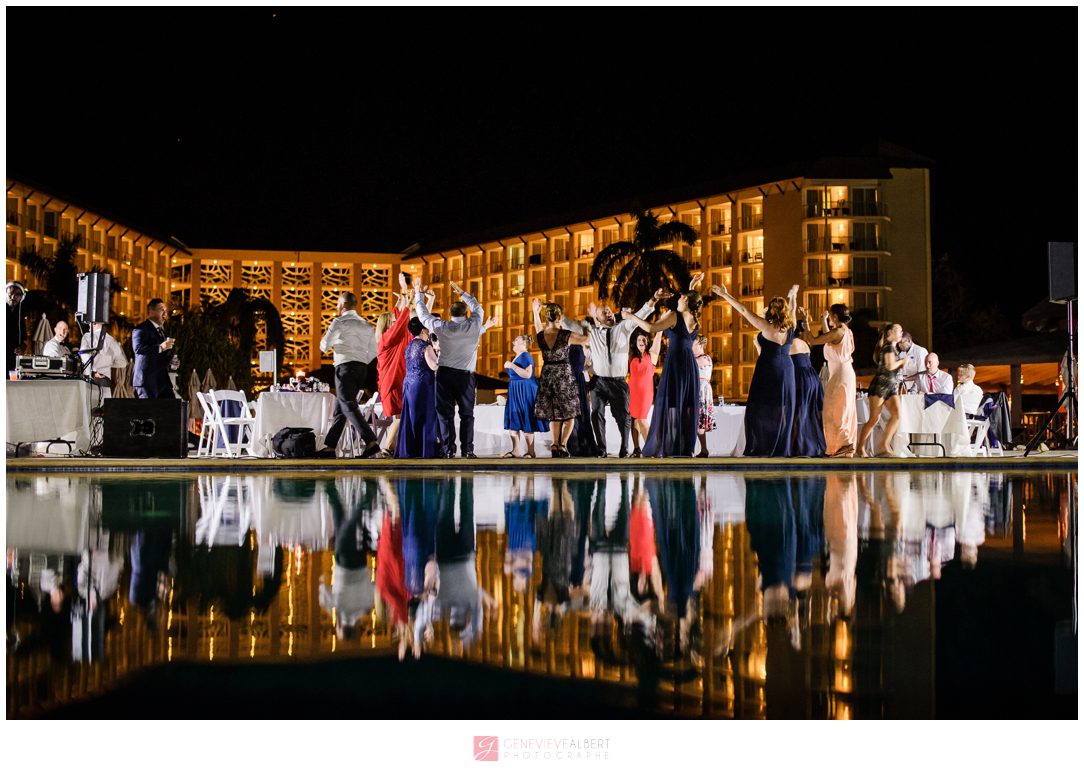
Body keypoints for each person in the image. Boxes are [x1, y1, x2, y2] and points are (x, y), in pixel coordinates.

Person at [558, 293, 662, 457]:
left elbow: (642, 313)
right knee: (596, 413)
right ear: (598, 319)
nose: (609, 313)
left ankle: (624, 447)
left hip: (618, 382)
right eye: (604, 313)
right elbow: (571, 325)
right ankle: (602, 449)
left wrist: (653, 299)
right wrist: (558, 314)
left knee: (624, 417)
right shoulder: (592, 333)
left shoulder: (624, 328)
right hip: (598, 382)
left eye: (609, 311)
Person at [621, 273, 711, 457]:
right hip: (689, 366)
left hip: (676, 365)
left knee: (668, 404)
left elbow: (650, 328)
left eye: (682, 298)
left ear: (686, 302)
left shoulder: (674, 316)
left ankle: (667, 446)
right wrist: (692, 287)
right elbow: (692, 302)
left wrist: (630, 316)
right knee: (683, 405)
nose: (679, 299)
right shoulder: (694, 319)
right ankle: (681, 446)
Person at [714, 282, 797, 457]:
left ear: (773, 311)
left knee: (760, 407)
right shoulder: (790, 328)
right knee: (782, 407)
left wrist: (725, 295)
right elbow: (793, 310)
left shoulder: (767, 326)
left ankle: (763, 445)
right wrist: (792, 297)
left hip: (769, 368)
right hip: (788, 369)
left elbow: (744, 311)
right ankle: (781, 446)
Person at [414, 277, 484, 458]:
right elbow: (478, 307)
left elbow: (422, 316)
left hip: (444, 374)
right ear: (465, 312)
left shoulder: (441, 326)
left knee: (445, 414)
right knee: (467, 414)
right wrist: (463, 293)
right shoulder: (474, 324)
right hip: (466, 376)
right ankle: (468, 450)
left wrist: (418, 295)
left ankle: (448, 450)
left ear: (449, 313)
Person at [319, 291, 381, 458]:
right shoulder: (367, 325)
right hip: (361, 368)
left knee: (347, 404)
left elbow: (324, 345)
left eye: (338, 303)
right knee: (341, 407)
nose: (337, 306)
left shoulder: (339, 322)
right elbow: (373, 352)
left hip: (344, 367)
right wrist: (360, 360)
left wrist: (331, 343)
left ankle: (371, 442)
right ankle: (330, 447)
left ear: (344, 305)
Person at [532, 298, 591, 457]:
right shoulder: (565, 334)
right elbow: (586, 340)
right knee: (569, 414)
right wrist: (587, 328)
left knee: (554, 414)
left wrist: (534, 312)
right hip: (563, 375)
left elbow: (537, 326)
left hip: (548, 375)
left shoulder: (541, 335)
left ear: (547, 317)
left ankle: (555, 444)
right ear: (559, 317)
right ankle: (563, 445)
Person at [800, 303, 856, 457]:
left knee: (834, 410)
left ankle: (844, 443)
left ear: (836, 316)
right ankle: (842, 447)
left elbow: (812, 340)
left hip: (839, 374)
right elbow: (829, 339)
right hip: (845, 372)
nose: (830, 318)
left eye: (831, 316)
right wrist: (824, 321)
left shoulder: (838, 331)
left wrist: (805, 322)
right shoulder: (846, 331)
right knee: (842, 409)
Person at [375, 273, 413, 456]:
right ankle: (387, 448)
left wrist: (402, 299)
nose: (394, 321)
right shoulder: (387, 338)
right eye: (391, 321)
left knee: (399, 417)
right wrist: (405, 292)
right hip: (392, 384)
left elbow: (397, 316)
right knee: (399, 417)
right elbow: (400, 321)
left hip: (395, 382)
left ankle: (393, 448)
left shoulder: (387, 337)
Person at [396, 307, 441, 459]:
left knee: (410, 417)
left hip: (409, 384)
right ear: (423, 330)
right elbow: (434, 366)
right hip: (423, 385)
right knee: (425, 416)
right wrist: (439, 353)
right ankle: (423, 450)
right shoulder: (425, 346)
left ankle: (410, 448)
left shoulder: (409, 346)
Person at [858, 322, 907, 456]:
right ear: (890, 333)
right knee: (874, 419)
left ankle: (884, 444)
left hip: (890, 387)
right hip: (880, 386)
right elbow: (890, 366)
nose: (901, 333)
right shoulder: (888, 348)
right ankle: (860, 447)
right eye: (899, 330)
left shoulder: (894, 349)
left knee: (897, 415)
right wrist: (902, 362)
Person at [503, 334, 546, 457]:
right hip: (515, 391)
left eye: (516, 339)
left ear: (523, 343)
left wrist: (512, 366)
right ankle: (516, 450)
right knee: (515, 420)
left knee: (526, 419)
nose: (513, 341)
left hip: (525, 391)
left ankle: (531, 451)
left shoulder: (526, 355)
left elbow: (528, 374)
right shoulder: (517, 356)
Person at [790, 313, 826, 457]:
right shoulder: (804, 343)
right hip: (811, 376)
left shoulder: (790, 344)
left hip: (799, 377)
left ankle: (799, 445)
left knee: (798, 412)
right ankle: (814, 444)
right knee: (810, 412)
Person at [132, 298, 177, 399]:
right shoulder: (140, 329)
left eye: (165, 310)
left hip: (162, 381)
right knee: (149, 413)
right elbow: (138, 349)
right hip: (146, 381)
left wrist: (171, 362)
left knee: (172, 410)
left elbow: (160, 356)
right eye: (162, 310)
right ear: (152, 312)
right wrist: (161, 347)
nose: (165, 313)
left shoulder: (162, 332)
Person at [628, 330, 662, 457]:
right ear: (635, 343)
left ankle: (651, 449)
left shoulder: (652, 355)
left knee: (641, 419)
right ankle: (637, 449)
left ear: (647, 342)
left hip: (645, 392)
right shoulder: (632, 355)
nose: (641, 342)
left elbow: (658, 335)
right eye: (639, 340)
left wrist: (661, 324)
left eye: (643, 340)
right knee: (634, 420)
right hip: (632, 391)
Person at [692, 334, 716, 457]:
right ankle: (702, 449)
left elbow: (692, 364)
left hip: (701, 391)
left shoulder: (705, 358)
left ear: (700, 345)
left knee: (699, 421)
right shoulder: (695, 358)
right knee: (695, 420)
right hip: (696, 390)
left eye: (694, 343)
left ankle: (704, 449)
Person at [6, 281, 27, 372]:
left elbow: (24, 340)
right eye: (10, 294)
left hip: (13, 360)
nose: (13, 297)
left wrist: (22, 347)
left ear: (22, 297)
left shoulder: (20, 315)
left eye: (17, 294)